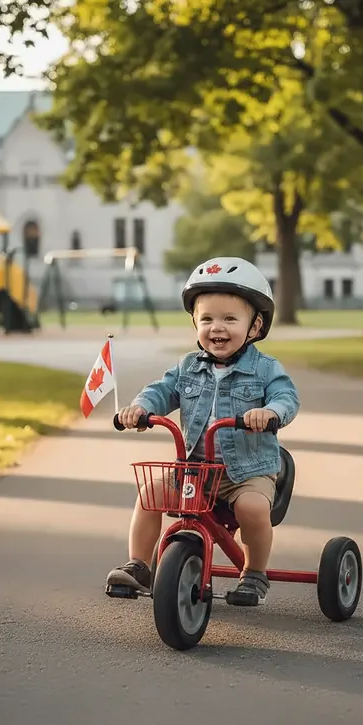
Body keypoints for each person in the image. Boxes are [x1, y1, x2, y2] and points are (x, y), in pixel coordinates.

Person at [106, 256, 300, 606]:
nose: (217, 328)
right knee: (151, 493)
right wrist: (141, 408)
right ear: (194, 322)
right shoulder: (187, 367)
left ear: (255, 326)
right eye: (207, 319)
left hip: (247, 472)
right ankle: (138, 564)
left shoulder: (265, 369)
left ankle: (254, 574)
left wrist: (271, 412)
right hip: (194, 470)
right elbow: (161, 391)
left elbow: (287, 397)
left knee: (253, 508)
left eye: (230, 319)